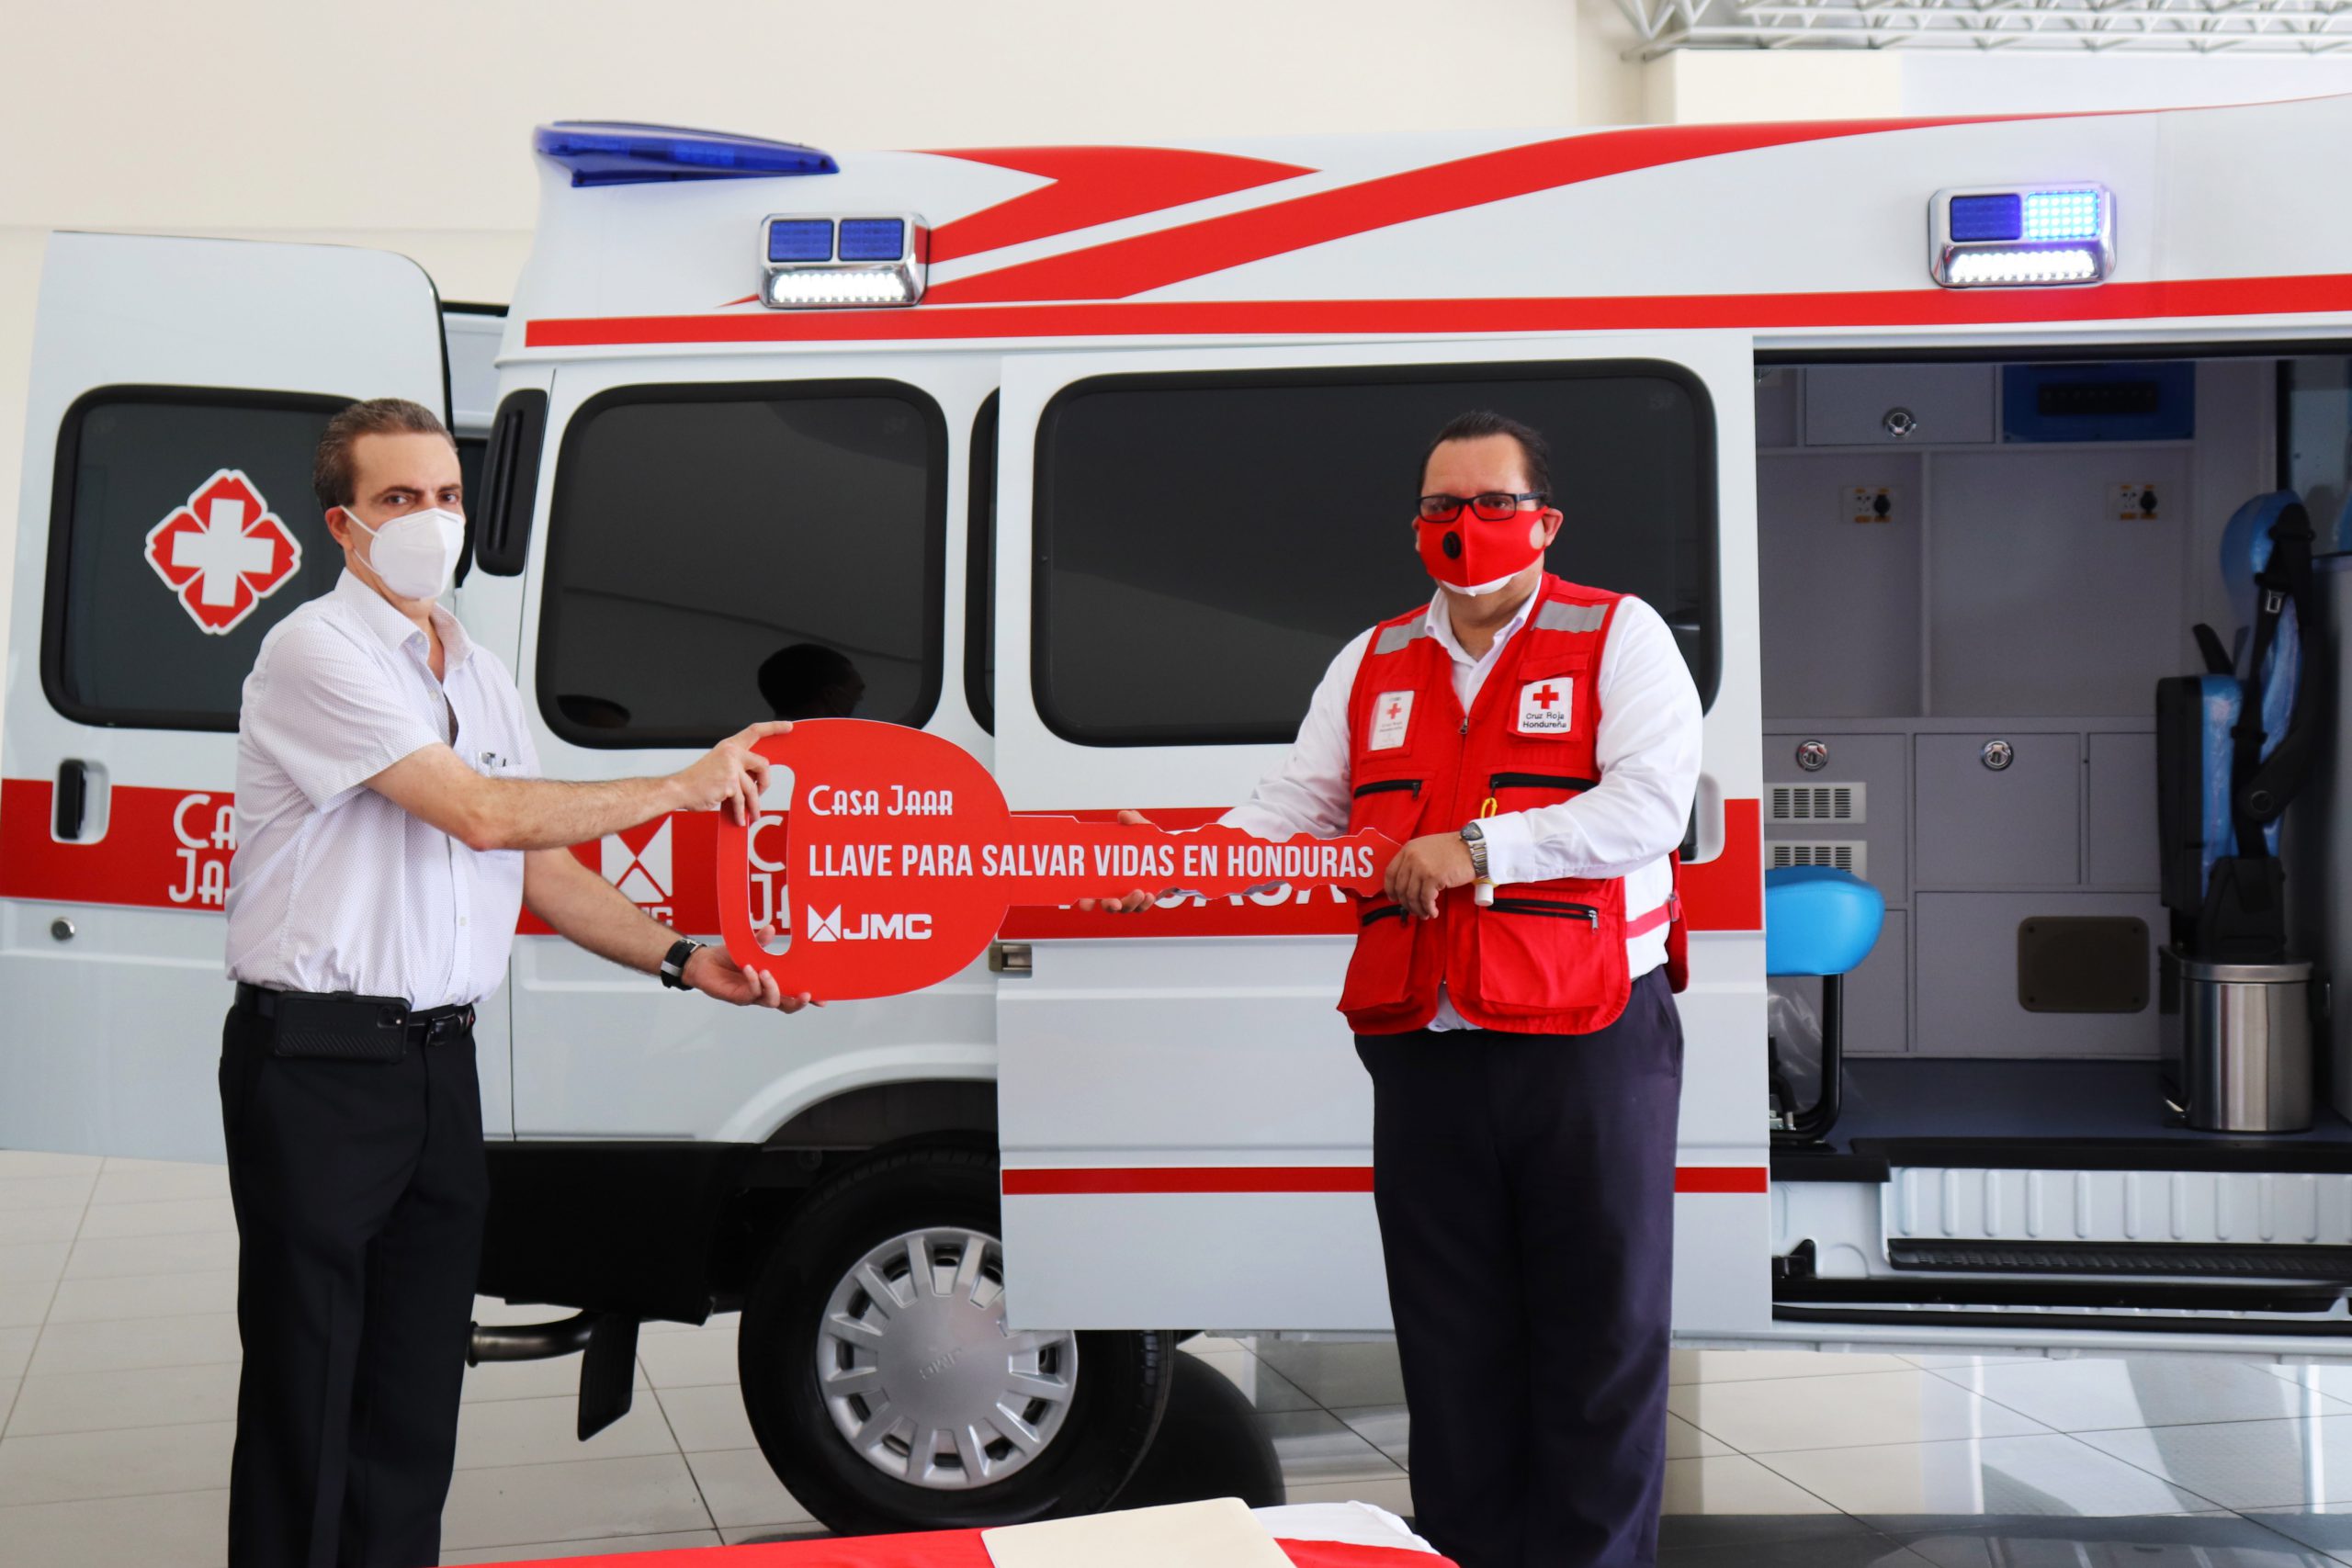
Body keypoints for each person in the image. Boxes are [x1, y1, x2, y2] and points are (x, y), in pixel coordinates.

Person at [1101, 410, 1701, 1568]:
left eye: (1490, 504)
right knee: (1450, 1344)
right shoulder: (1372, 660)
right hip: (1424, 1043)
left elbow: (1649, 807)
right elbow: (1294, 807)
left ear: (1544, 521)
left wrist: (1476, 848)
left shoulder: (1614, 635)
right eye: (1440, 507)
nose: (1464, 527)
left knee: (1599, 1338)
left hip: (1585, 1039)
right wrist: (1176, 867)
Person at [220, 398, 813, 1568]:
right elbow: (482, 814)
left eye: (446, 495)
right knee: (310, 1381)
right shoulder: (314, 653)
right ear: (344, 525)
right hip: (319, 1067)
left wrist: (689, 959)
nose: (430, 521)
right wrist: (682, 787)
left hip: (438, 1063)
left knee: (411, 1388)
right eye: (399, 500)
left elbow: (545, 870)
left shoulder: (477, 670)